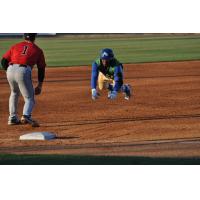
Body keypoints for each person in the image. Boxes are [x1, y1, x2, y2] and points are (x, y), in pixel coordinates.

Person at [1, 33, 46, 126]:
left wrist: (9, 71)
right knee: (29, 98)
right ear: (34, 37)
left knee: (14, 93)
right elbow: (41, 68)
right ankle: (26, 116)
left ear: (24, 37)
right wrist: (40, 85)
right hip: (23, 70)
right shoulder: (37, 50)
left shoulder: (16, 46)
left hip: (10, 69)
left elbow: (3, 61)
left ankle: (12, 118)